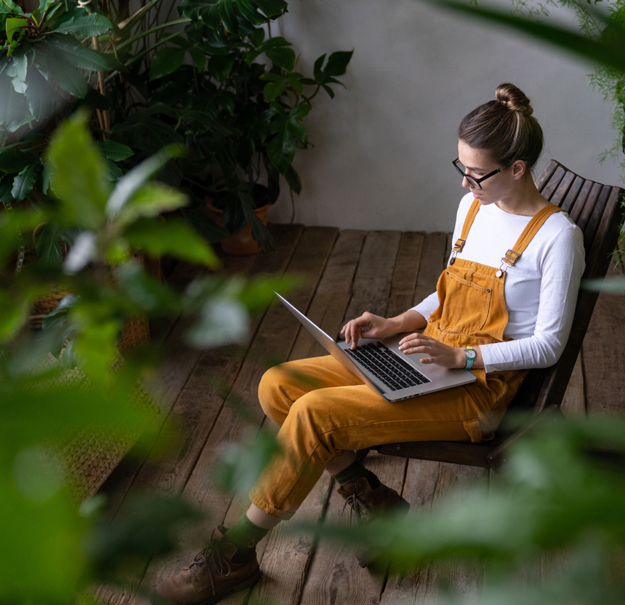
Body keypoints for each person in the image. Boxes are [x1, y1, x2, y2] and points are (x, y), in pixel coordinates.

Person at [155, 82, 586, 605]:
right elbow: (448, 289)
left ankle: (236, 554)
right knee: (279, 385)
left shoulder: (557, 237)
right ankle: (372, 497)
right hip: (427, 357)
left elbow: (549, 346)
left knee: (315, 416)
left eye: (476, 173)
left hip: (476, 389)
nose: (467, 182)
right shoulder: (472, 209)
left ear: (517, 168)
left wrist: (462, 357)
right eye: (461, 169)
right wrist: (398, 321)